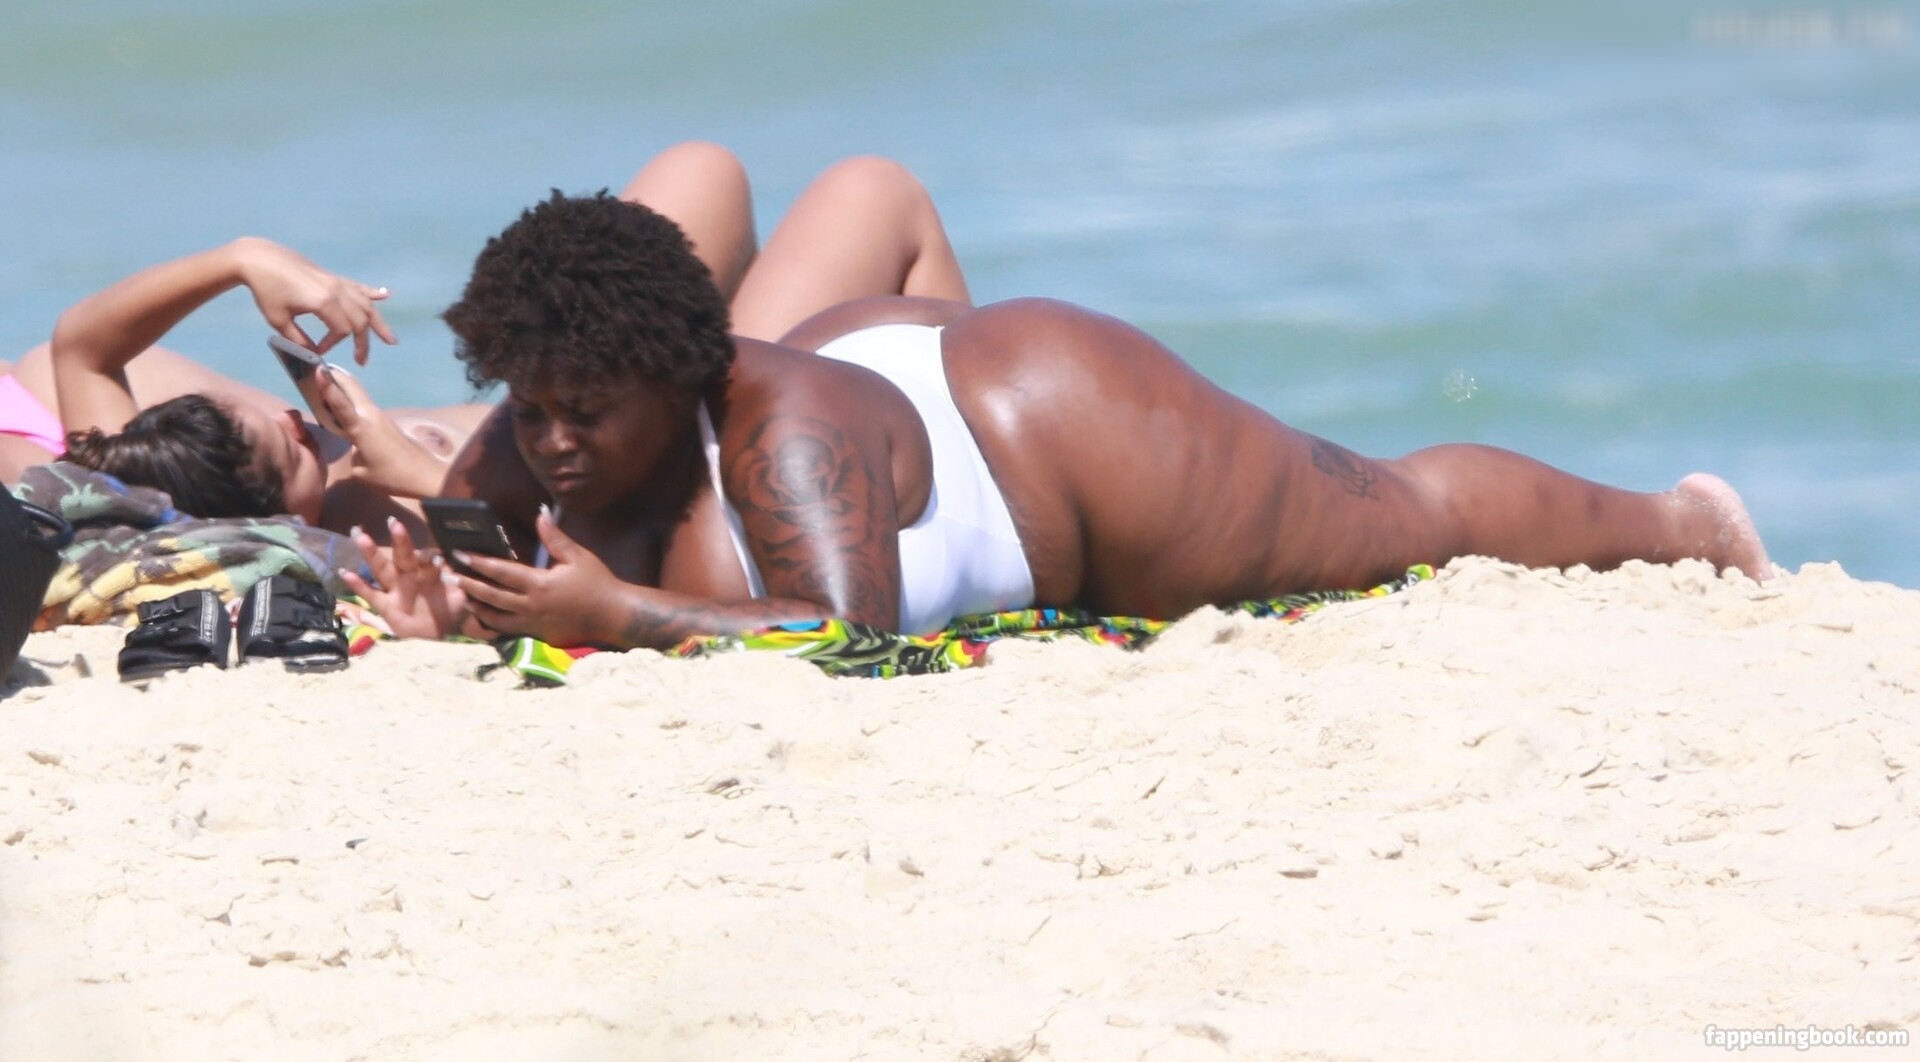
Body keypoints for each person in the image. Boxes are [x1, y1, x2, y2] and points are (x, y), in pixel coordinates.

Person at [351, 193, 1771, 648]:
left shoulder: (789, 440)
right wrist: (458, 612)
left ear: (674, 371)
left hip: (1045, 430)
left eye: (587, 413)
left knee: (1404, 515)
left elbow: (846, 636)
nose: (552, 441)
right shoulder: (548, 426)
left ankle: (1681, 523)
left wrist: (614, 614)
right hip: (901, 380)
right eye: (533, 408)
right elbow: (520, 555)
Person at [0, 142, 971, 540]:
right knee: (877, 195)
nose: (297, 427)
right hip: (666, 443)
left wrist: (244, 258)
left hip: (595, 381)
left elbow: (83, 344)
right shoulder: (358, 534)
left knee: (701, 169)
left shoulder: (134, 473)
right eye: (287, 453)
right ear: (264, 524)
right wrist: (418, 473)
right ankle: (984, 455)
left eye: (273, 422)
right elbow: (559, 537)